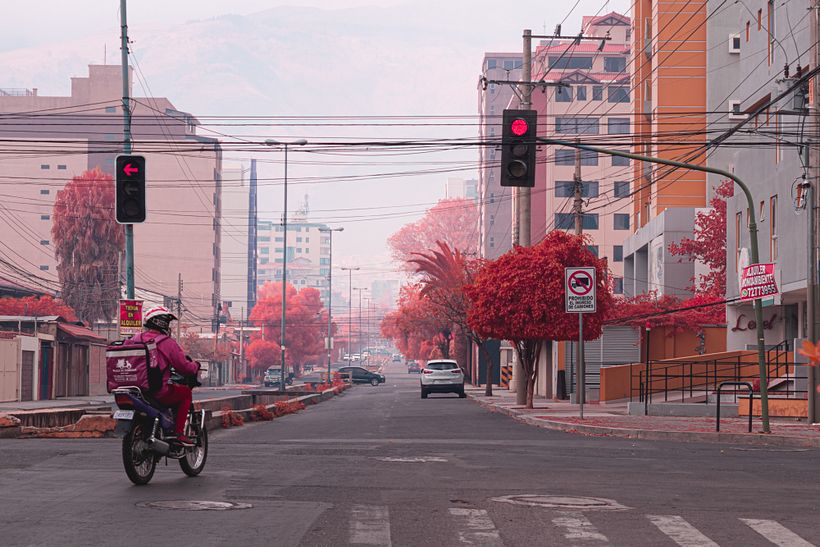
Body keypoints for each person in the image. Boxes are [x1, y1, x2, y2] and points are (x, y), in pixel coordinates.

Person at [133, 306, 199, 446]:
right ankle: (179, 433)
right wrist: (196, 366)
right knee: (185, 393)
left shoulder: (135, 339)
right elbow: (184, 367)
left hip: (135, 390)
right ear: (162, 323)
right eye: (167, 323)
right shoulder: (166, 343)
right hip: (156, 391)